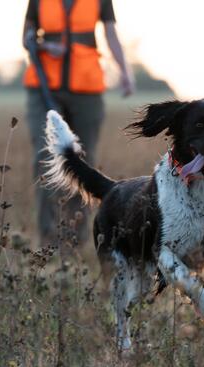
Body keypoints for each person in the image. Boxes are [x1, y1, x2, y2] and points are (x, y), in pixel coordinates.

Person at [22, 0, 134, 247]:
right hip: (42, 87)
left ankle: (76, 241)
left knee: (83, 162)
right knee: (44, 157)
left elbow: (111, 34)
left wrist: (125, 71)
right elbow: (26, 36)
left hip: (87, 88)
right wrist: (43, 45)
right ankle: (48, 242)